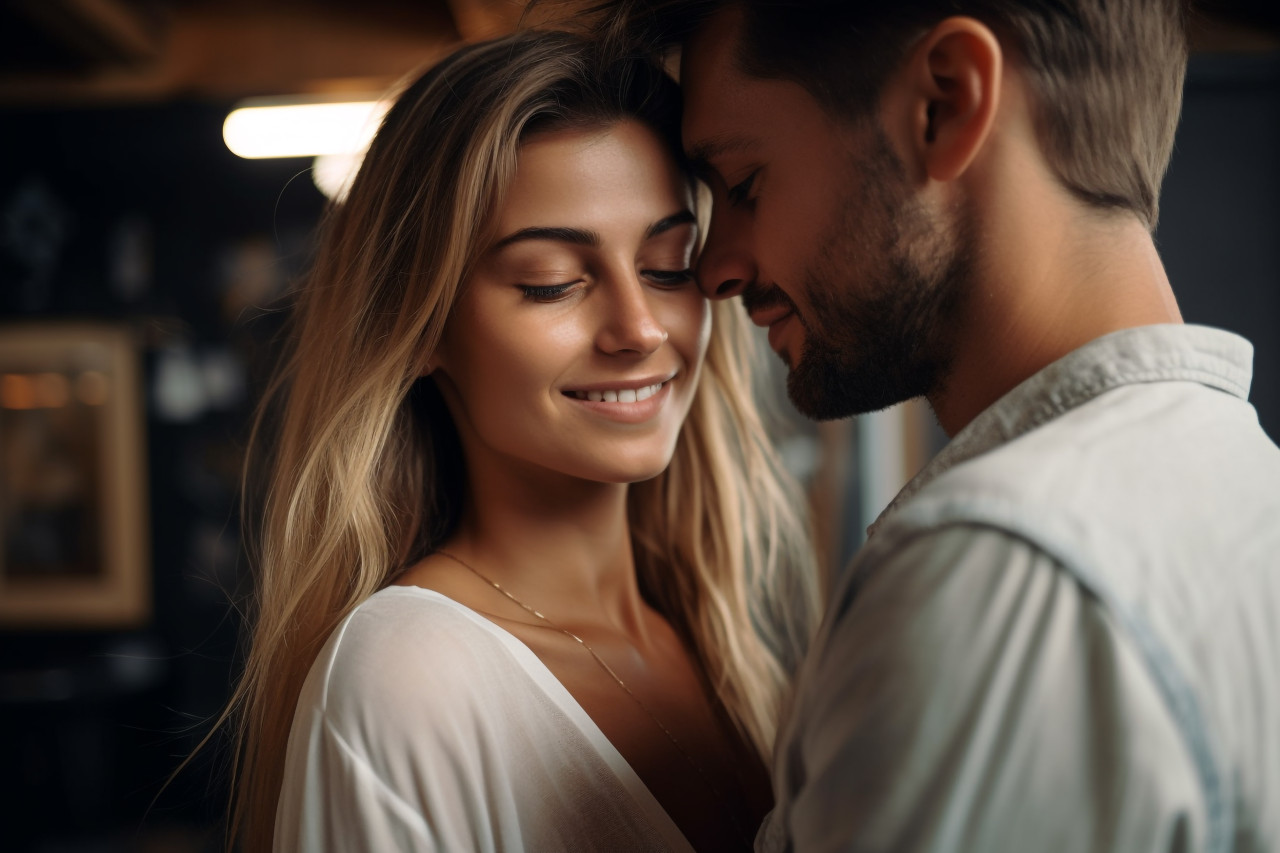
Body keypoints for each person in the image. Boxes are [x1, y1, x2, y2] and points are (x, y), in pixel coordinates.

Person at [583, 1, 1280, 851]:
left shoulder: (999, 575)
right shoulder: (1246, 491)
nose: (715, 268)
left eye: (744, 184)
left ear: (946, 103)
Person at [221, 29, 820, 853]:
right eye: (552, 283)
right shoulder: (405, 678)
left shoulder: (725, 640)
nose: (641, 327)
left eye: (668, 265)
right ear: (422, 327)